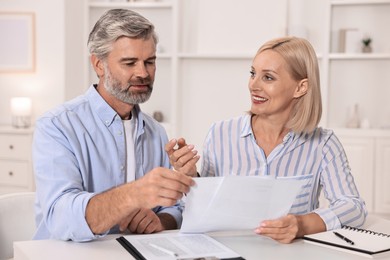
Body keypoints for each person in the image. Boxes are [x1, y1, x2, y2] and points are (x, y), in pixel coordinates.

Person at [168, 36, 367, 244]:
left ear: (300, 88)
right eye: (253, 74)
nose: (254, 85)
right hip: (230, 252)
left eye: (268, 78)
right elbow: (204, 210)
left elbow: (353, 207)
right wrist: (190, 176)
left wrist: (301, 225)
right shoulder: (220, 134)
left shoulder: (323, 143)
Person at [32, 9, 199, 242]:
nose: (143, 73)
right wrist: (134, 194)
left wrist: (161, 220)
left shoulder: (156, 132)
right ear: (99, 65)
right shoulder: (57, 127)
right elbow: (60, 217)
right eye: (129, 63)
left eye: (149, 61)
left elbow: (174, 208)